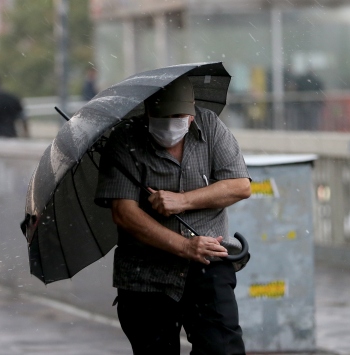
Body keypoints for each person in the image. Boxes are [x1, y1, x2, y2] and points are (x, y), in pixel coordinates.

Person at [95, 76, 251, 354]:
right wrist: (184, 246)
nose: (170, 124)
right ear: (147, 113)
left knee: (223, 348)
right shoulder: (124, 140)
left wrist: (183, 201)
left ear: (191, 114)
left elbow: (239, 186)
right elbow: (123, 212)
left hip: (208, 264)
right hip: (145, 274)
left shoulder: (212, 127)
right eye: (161, 116)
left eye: (178, 116)